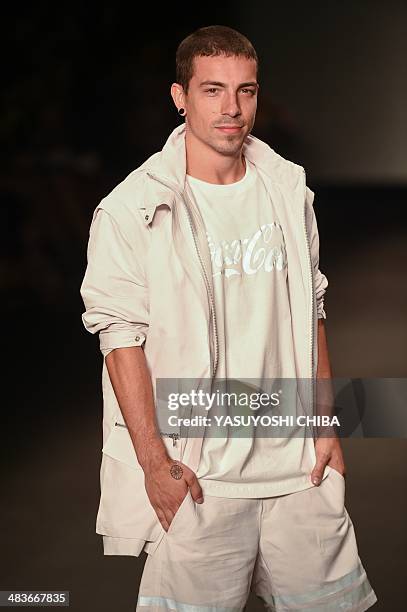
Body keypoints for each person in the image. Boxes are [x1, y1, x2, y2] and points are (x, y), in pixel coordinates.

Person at [80, 24, 377, 612]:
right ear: (179, 96)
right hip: (199, 474)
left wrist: (326, 423)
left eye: (246, 91)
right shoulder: (130, 209)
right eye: (213, 90)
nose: (232, 109)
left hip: (298, 469)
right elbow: (120, 340)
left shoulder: (288, 190)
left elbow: (311, 308)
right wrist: (154, 463)